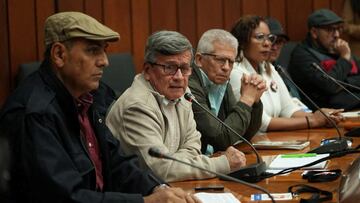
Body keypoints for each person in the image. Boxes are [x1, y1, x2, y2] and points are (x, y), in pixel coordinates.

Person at [0, 12, 200, 203]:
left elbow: (116, 162)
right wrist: (145, 201)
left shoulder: (91, 96)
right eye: (93, 51)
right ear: (59, 54)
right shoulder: (35, 113)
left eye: (104, 50)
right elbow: (66, 198)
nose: (104, 61)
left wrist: (157, 188)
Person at [106, 30, 246, 182]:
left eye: (185, 68)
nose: (179, 77)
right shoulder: (136, 107)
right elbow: (160, 170)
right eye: (170, 68)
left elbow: (193, 146)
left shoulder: (183, 93)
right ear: (147, 70)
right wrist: (222, 163)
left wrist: (174, 165)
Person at [229, 15, 343, 133]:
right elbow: (262, 124)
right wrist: (313, 121)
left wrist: (321, 117)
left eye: (269, 38)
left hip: (272, 140)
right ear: (242, 42)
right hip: (248, 146)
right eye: (260, 37)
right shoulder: (236, 73)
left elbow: (289, 109)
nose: (268, 43)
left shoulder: (268, 67)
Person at [188, 29, 265, 154]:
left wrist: (255, 101)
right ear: (199, 60)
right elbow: (221, 138)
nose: (226, 67)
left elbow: (243, 134)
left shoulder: (222, 82)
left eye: (231, 62)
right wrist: (246, 100)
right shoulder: (189, 85)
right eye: (220, 60)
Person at [289, 9, 360, 111]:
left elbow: (337, 84)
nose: (337, 35)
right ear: (314, 32)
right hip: (329, 114)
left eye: (338, 29)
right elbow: (330, 85)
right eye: (330, 30)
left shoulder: (335, 49)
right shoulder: (302, 55)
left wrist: (345, 82)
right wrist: (344, 58)